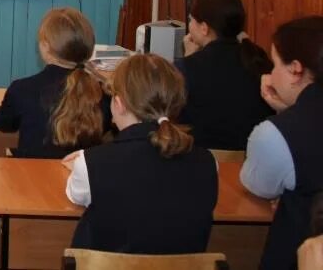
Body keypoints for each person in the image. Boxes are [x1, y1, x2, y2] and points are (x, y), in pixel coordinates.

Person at [65, 53, 218, 254]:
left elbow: (76, 196)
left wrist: (79, 163)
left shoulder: (91, 163)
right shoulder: (208, 162)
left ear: (118, 104)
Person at [241, 16, 323, 270]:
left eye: (275, 64)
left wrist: (282, 116)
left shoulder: (275, 135)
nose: (270, 74)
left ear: (295, 70)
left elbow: (259, 186)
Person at [0, 7, 110, 158]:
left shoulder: (22, 89)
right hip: (82, 178)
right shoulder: (102, 94)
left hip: (30, 177)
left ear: (46, 47)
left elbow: (4, 123)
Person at [177, 0, 273, 150]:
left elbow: (174, 111)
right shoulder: (258, 58)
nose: (189, 25)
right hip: (252, 157)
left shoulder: (188, 66)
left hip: (201, 159)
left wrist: (187, 58)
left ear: (204, 28)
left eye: (191, 20)